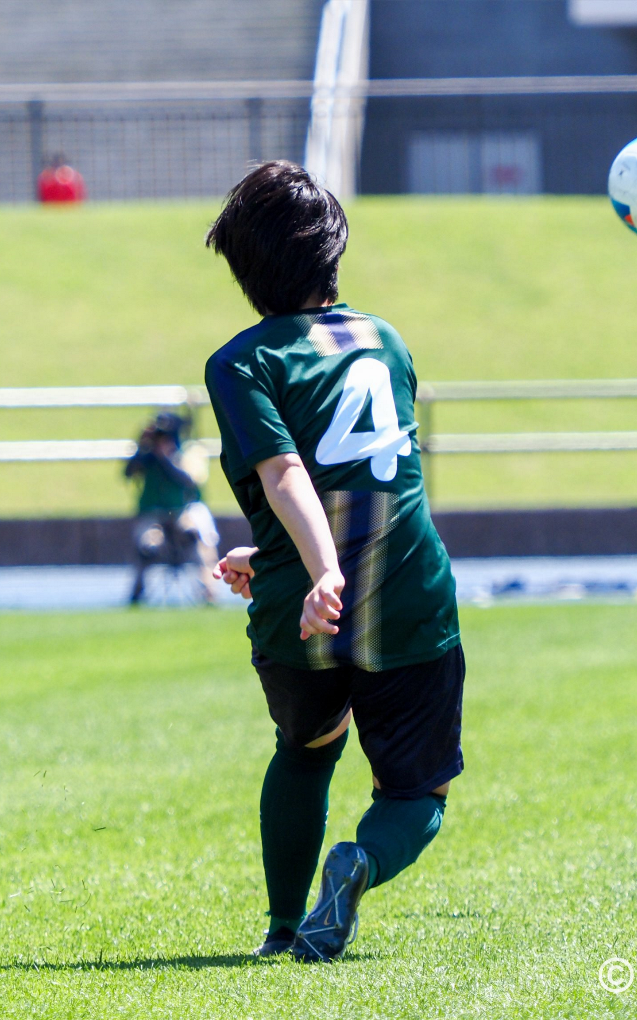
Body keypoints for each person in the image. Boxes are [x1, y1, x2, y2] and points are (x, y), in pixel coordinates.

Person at [203, 161, 463, 962]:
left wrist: (314, 572)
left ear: (245, 268)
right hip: (410, 588)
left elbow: (288, 473)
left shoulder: (241, 361)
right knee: (418, 791)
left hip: (303, 600)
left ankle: (283, 928)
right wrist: (309, 560)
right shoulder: (387, 341)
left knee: (308, 749)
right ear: (333, 252)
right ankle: (360, 860)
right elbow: (365, 479)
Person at [124, 412, 218, 604]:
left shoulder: (190, 450)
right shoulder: (147, 453)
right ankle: (136, 593)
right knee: (147, 544)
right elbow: (128, 472)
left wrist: (166, 457)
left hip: (182, 511)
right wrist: (142, 447)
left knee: (196, 534)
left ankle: (208, 591)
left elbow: (189, 480)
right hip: (153, 514)